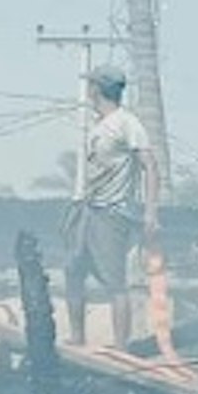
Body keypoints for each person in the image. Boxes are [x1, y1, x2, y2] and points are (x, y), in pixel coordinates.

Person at [62, 63, 161, 349]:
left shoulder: (127, 123)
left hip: (112, 212)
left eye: (92, 85)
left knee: (114, 280)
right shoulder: (99, 125)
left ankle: (120, 347)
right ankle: (77, 337)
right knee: (73, 269)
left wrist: (150, 212)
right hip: (89, 209)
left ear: (97, 89)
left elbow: (150, 167)